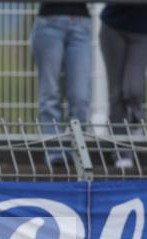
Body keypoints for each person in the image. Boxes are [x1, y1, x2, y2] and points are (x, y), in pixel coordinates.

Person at [30, 2, 92, 166]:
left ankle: (78, 150)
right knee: (49, 94)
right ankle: (54, 151)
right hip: (48, 21)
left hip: (81, 22)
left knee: (80, 97)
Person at [99, 3, 147, 169]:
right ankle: (121, 152)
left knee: (134, 90)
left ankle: (136, 120)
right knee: (116, 94)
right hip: (113, 26)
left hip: (143, 29)